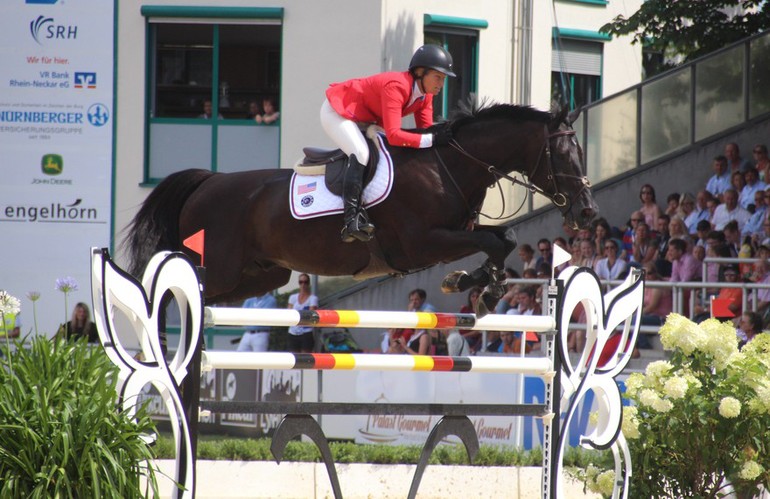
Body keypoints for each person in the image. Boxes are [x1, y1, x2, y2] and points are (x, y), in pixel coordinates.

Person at [321, 44, 455, 243]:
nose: (441, 84)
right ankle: (351, 220)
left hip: (366, 118)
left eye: (443, 79)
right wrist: (433, 139)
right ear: (420, 72)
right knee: (360, 153)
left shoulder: (425, 96)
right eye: (437, 77)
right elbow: (394, 135)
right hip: (338, 111)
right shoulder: (396, 85)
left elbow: (425, 131)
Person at [286, 273, 318, 353]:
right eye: (301, 282)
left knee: (305, 359)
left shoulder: (313, 298)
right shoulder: (293, 297)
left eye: (305, 282)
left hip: (306, 332)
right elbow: (289, 315)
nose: (303, 285)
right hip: (293, 332)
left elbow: (310, 317)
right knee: (294, 359)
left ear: (309, 283)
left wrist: (296, 316)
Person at [459, 286, 483, 352]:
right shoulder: (464, 309)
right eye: (473, 296)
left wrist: (463, 336)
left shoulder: (483, 312)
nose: (475, 298)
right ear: (470, 298)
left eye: (477, 296)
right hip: (461, 336)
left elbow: (478, 331)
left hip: (473, 339)